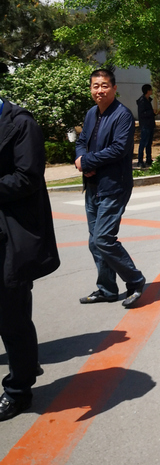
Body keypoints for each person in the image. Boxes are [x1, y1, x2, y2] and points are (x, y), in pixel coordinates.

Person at [0, 96, 60, 421]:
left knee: (11, 315)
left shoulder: (22, 123)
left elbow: (28, 177)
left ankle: (18, 391)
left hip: (13, 232)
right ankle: (27, 360)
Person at [76, 69, 146, 308]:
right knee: (95, 242)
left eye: (104, 85)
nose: (100, 90)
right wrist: (82, 160)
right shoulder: (91, 114)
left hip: (114, 185)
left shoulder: (122, 115)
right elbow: (82, 141)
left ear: (114, 88)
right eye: (95, 86)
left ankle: (135, 280)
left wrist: (88, 162)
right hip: (93, 185)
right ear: (90, 89)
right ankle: (107, 289)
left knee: (103, 238)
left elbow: (119, 149)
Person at [136, 84, 156, 168]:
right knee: (143, 142)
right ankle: (140, 161)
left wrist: (154, 113)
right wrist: (152, 112)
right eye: (151, 90)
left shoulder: (148, 100)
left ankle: (148, 159)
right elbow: (142, 114)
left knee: (149, 143)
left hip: (150, 124)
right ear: (148, 91)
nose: (152, 91)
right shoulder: (142, 101)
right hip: (145, 124)